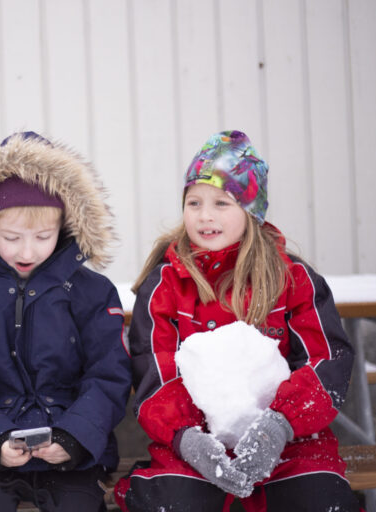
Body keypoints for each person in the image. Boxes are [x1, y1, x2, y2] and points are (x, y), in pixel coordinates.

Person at [114, 130, 361, 511]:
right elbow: (153, 369)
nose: (204, 215)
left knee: (316, 498)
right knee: (174, 501)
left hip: (289, 444)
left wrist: (279, 425)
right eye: (194, 202)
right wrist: (187, 438)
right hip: (193, 446)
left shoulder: (293, 278)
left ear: (251, 212)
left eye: (221, 203)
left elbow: (326, 359)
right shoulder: (165, 284)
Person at [0, 132, 132, 512]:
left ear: (65, 226)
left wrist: (73, 437)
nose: (28, 250)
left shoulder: (92, 292)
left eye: (43, 236)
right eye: (12, 237)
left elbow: (109, 374)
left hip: (72, 454)